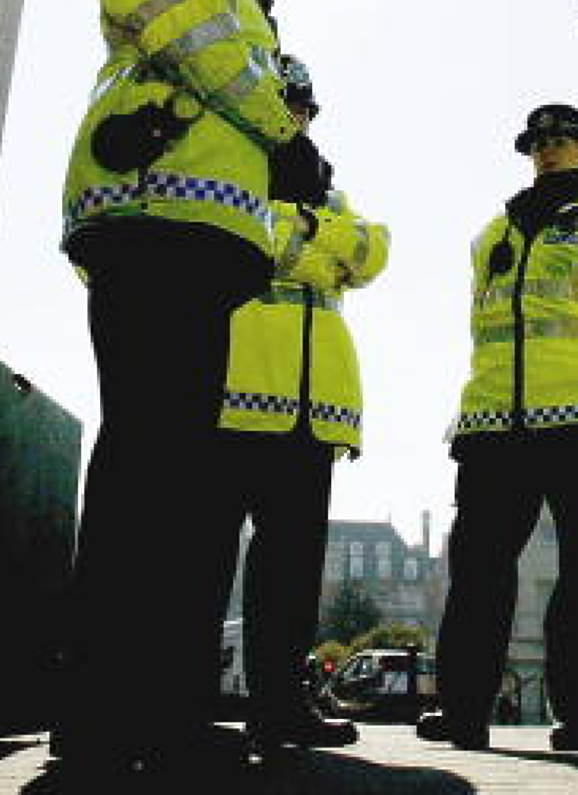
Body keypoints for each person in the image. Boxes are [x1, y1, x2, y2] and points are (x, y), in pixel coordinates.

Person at [53, 0, 331, 780]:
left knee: (171, 475)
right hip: (152, 217)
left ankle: (153, 699)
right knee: (144, 471)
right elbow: (202, 49)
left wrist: (277, 154)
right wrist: (282, 133)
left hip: (202, 233)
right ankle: (97, 706)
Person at [415, 103, 578, 754]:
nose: (551, 150)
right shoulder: (490, 234)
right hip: (495, 418)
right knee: (477, 568)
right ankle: (464, 708)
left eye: (563, 141)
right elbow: (483, 326)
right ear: (529, 152)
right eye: (541, 142)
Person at [211, 54, 390, 754]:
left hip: (312, 403)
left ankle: (280, 705)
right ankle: (180, 701)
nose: (292, 118)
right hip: (229, 390)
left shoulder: (328, 191)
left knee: (290, 570)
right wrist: (313, 236)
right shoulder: (225, 168)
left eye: (301, 108)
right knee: (198, 563)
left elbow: (374, 251)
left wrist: (308, 232)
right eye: (281, 105)